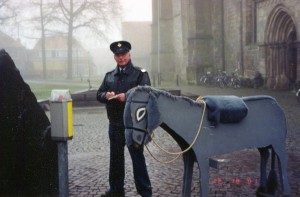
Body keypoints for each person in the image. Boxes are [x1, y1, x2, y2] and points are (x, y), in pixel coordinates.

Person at [96, 40, 152, 197]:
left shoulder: (140, 74)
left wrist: (126, 96)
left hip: (134, 124)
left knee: (137, 158)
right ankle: (116, 190)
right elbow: (98, 94)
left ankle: (145, 192)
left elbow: (146, 92)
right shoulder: (109, 76)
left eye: (124, 54)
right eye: (118, 55)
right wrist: (105, 95)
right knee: (115, 159)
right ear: (114, 57)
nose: (121, 58)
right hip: (114, 123)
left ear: (129, 54)